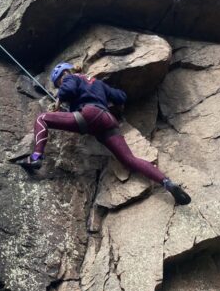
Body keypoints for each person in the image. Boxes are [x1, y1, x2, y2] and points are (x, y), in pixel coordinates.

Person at [18, 62, 191, 205]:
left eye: (58, 83)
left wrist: (59, 99)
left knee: (42, 118)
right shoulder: (98, 83)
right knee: (130, 160)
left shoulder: (70, 77)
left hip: (89, 116)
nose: (60, 86)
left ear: (63, 74)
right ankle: (167, 182)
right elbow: (121, 96)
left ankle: (36, 158)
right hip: (107, 121)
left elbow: (68, 90)